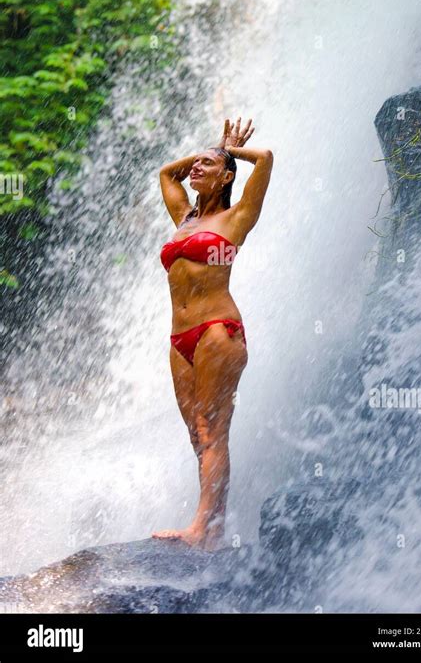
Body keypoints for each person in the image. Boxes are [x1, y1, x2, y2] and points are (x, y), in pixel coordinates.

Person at [152, 117, 273, 550]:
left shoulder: (237, 217)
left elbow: (265, 159)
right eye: (196, 163)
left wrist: (230, 154)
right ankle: (213, 525)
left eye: (207, 165)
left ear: (226, 178)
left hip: (218, 330)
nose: (196, 169)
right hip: (179, 339)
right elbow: (167, 173)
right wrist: (213, 149)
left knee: (212, 428)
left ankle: (201, 528)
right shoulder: (183, 218)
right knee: (195, 433)